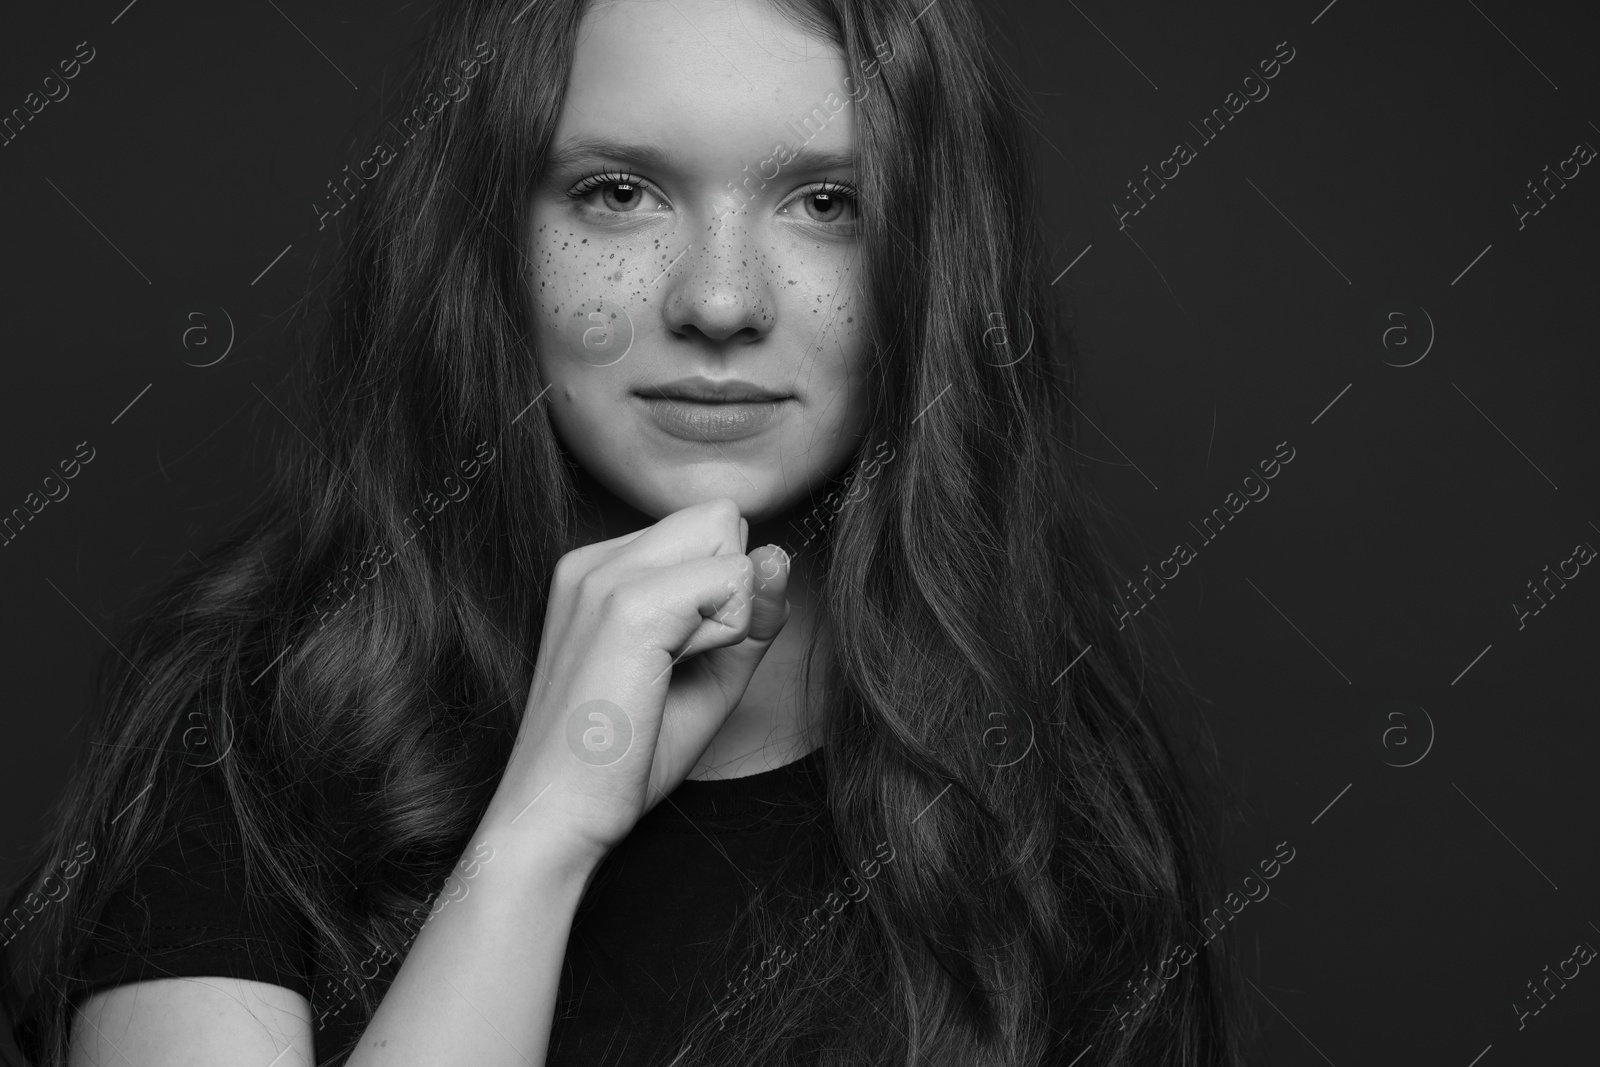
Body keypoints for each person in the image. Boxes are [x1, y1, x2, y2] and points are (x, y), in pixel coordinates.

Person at [0, 0, 1249, 1064]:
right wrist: (538, 838)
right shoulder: (249, 737)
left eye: (827, 201)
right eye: (617, 193)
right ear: (491, 240)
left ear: (930, 258)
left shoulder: (1054, 804)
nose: (718, 299)